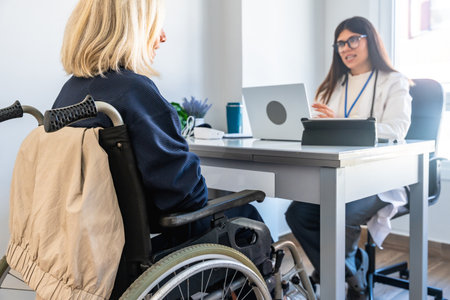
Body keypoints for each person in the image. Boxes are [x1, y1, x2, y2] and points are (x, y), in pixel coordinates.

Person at [52, 0, 263, 249]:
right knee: (247, 218)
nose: (162, 37)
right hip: (141, 244)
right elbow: (186, 197)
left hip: (95, 240)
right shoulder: (134, 90)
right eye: (155, 27)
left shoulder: (68, 94)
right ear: (134, 30)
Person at [285, 16, 412, 299]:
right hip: (339, 175)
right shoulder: (333, 86)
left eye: (353, 39)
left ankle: (339, 277)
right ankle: (353, 275)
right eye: (340, 43)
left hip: (382, 177)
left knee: (339, 214)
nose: (345, 47)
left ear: (371, 40)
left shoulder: (394, 81)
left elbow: (397, 129)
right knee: (297, 213)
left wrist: (343, 121)